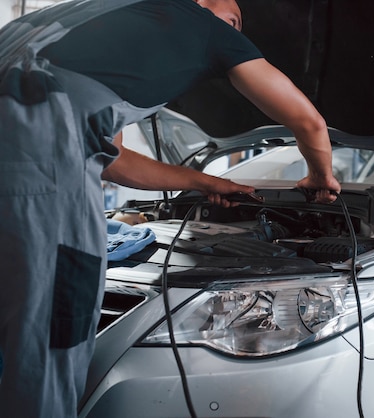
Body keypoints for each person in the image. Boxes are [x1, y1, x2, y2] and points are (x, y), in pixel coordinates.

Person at [0, 0, 341, 416]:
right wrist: (320, 178)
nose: (236, 30)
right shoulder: (203, 25)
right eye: (234, 19)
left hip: (24, 157)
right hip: (38, 162)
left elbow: (113, 158)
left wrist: (205, 182)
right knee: (52, 324)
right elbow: (308, 122)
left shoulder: (94, 18)